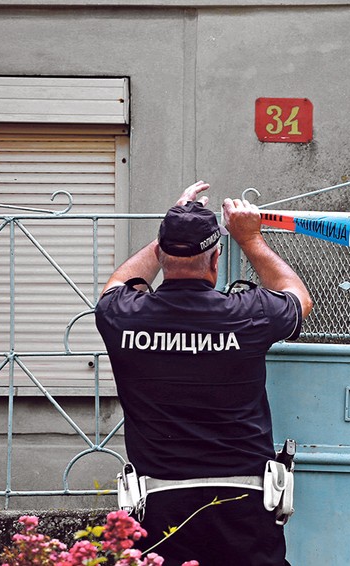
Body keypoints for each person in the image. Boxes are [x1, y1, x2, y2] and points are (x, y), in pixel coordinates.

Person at [95, 181, 313, 565]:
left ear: (160, 255)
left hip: (159, 506)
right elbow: (298, 297)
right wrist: (250, 238)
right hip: (243, 505)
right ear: (216, 260)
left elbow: (114, 287)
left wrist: (173, 228)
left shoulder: (123, 316)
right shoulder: (248, 314)